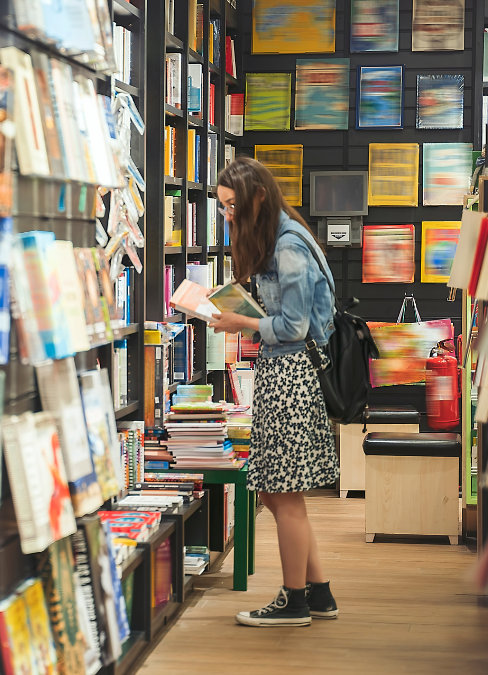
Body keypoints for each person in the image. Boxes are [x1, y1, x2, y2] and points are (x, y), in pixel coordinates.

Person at [208, 157, 339, 627]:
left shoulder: (287, 247)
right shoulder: (278, 238)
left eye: (231, 206)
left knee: (281, 495)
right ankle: (318, 593)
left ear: (257, 197)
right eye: (222, 207)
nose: (226, 215)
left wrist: (239, 320)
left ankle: (294, 600)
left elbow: (293, 325)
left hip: (291, 379)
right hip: (282, 375)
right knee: (281, 495)